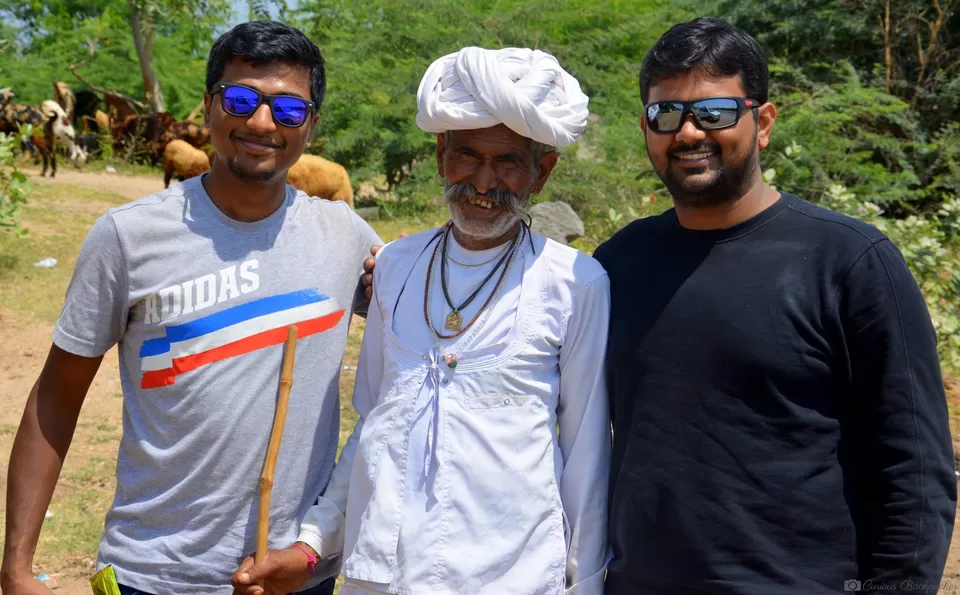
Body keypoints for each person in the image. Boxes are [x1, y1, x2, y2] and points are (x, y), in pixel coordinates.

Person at [1, 21, 382, 595]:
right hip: (153, 573)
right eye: (240, 99)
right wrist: (16, 568)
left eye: (288, 110)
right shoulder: (128, 237)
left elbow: (427, 323)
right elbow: (56, 397)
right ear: (208, 107)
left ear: (310, 126)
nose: (260, 123)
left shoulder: (345, 236)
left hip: (291, 576)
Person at [594, 17, 957, 595]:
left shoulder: (850, 261)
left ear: (761, 123)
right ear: (646, 127)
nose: (688, 133)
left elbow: (914, 470)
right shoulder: (617, 263)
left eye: (713, 112)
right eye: (666, 115)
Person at [232, 46, 612, 595]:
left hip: (515, 579)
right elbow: (375, 425)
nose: (483, 183)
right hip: (381, 576)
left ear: (542, 171)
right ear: (440, 154)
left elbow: (586, 460)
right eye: (467, 156)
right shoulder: (394, 267)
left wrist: (587, 585)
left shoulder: (575, 283)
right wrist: (314, 543)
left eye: (507, 161)